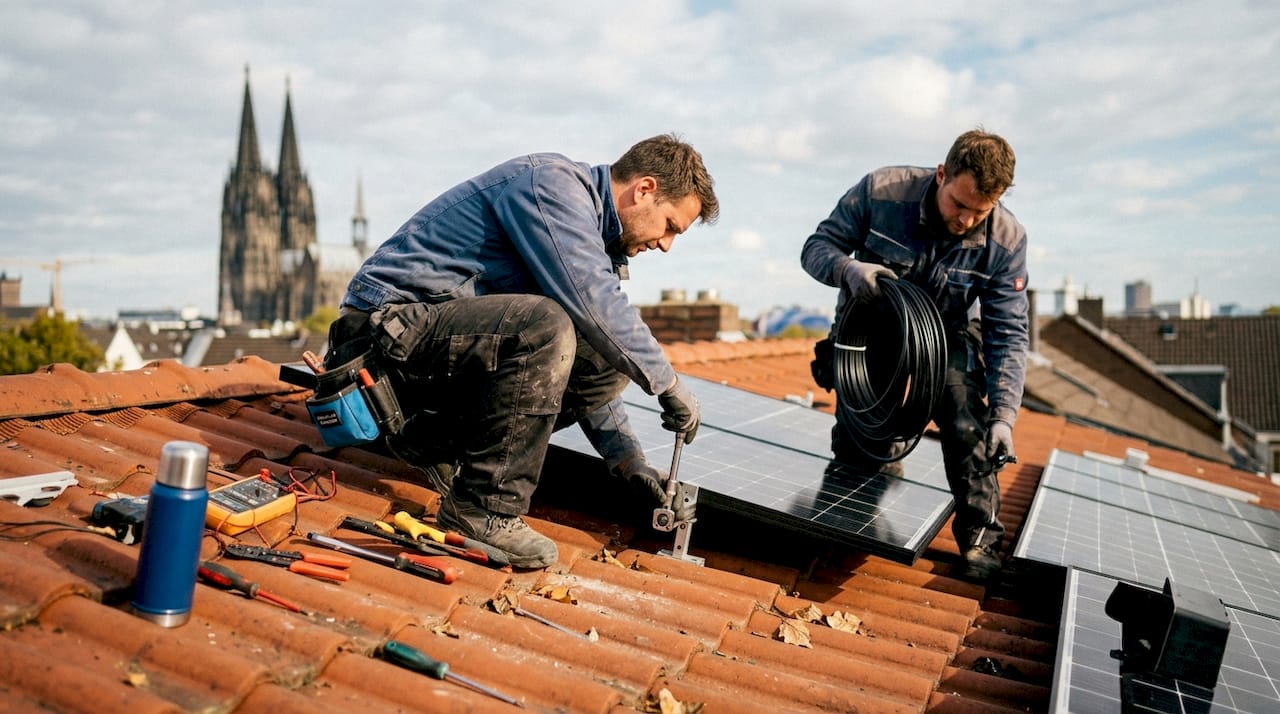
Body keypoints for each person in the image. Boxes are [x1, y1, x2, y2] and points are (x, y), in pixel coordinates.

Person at [327, 134, 718, 569]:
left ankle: (428, 441)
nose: (666, 244)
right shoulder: (553, 186)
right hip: (378, 342)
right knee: (547, 325)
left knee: (600, 353)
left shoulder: (590, 237)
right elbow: (595, 302)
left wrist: (630, 463)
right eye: (670, 226)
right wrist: (667, 382)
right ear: (644, 190)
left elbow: (592, 354)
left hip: (427, 357)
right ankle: (483, 508)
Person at [800, 128, 1029, 580]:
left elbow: (1009, 331)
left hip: (945, 336)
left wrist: (1004, 415)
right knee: (863, 437)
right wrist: (849, 268)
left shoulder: (1006, 240)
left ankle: (979, 541)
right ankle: (847, 523)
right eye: (958, 204)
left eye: (979, 211)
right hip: (870, 327)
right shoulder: (881, 192)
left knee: (968, 426)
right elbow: (815, 249)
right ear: (941, 174)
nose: (966, 219)